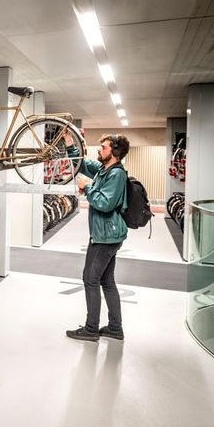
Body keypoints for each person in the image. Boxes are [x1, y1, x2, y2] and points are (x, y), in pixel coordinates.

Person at [64, 132, 130, 341]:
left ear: (115, 152)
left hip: (105, 237)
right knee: (107, 281)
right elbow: (82, 164)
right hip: (107, 234)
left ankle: (91, 329)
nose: (99, 150)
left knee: (90, 279)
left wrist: (87, 187)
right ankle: (114, 328)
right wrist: (69, 143)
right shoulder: (104, 169)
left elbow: (105, 203)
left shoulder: (116, 174)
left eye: (103, 147)